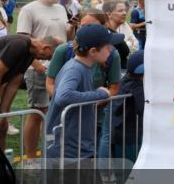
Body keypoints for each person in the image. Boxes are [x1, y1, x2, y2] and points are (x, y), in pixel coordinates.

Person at [46, 10, 123, 159]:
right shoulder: (75, 69)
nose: (111, 49)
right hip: (69, 149)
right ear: (93, 51)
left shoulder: (84, 67)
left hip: (78, 144)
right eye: (108, 46)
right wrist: (100, 94)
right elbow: (63, 96)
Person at [17, 0, 74, 158]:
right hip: (39, 68)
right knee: (36, 114)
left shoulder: (61, 8)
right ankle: (31, 158)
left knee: (55, 113)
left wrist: (72, 27)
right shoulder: (29, 10)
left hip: (61, 69)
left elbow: (67, 37)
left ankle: (50, 153)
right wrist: (36, 65)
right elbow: (22, 42)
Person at [0, 34, 61, 144]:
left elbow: (13, 85)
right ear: (46, 48)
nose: (47, 60)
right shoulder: (19, 44)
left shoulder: (30, 55)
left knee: (2, 127)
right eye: (49, 57)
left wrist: (3, 115)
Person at [112, 49, 144, 163]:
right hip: (129, 137)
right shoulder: (136, 86)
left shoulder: (126, 79)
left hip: (121, 133)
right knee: (129, 168)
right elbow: (142, 109)